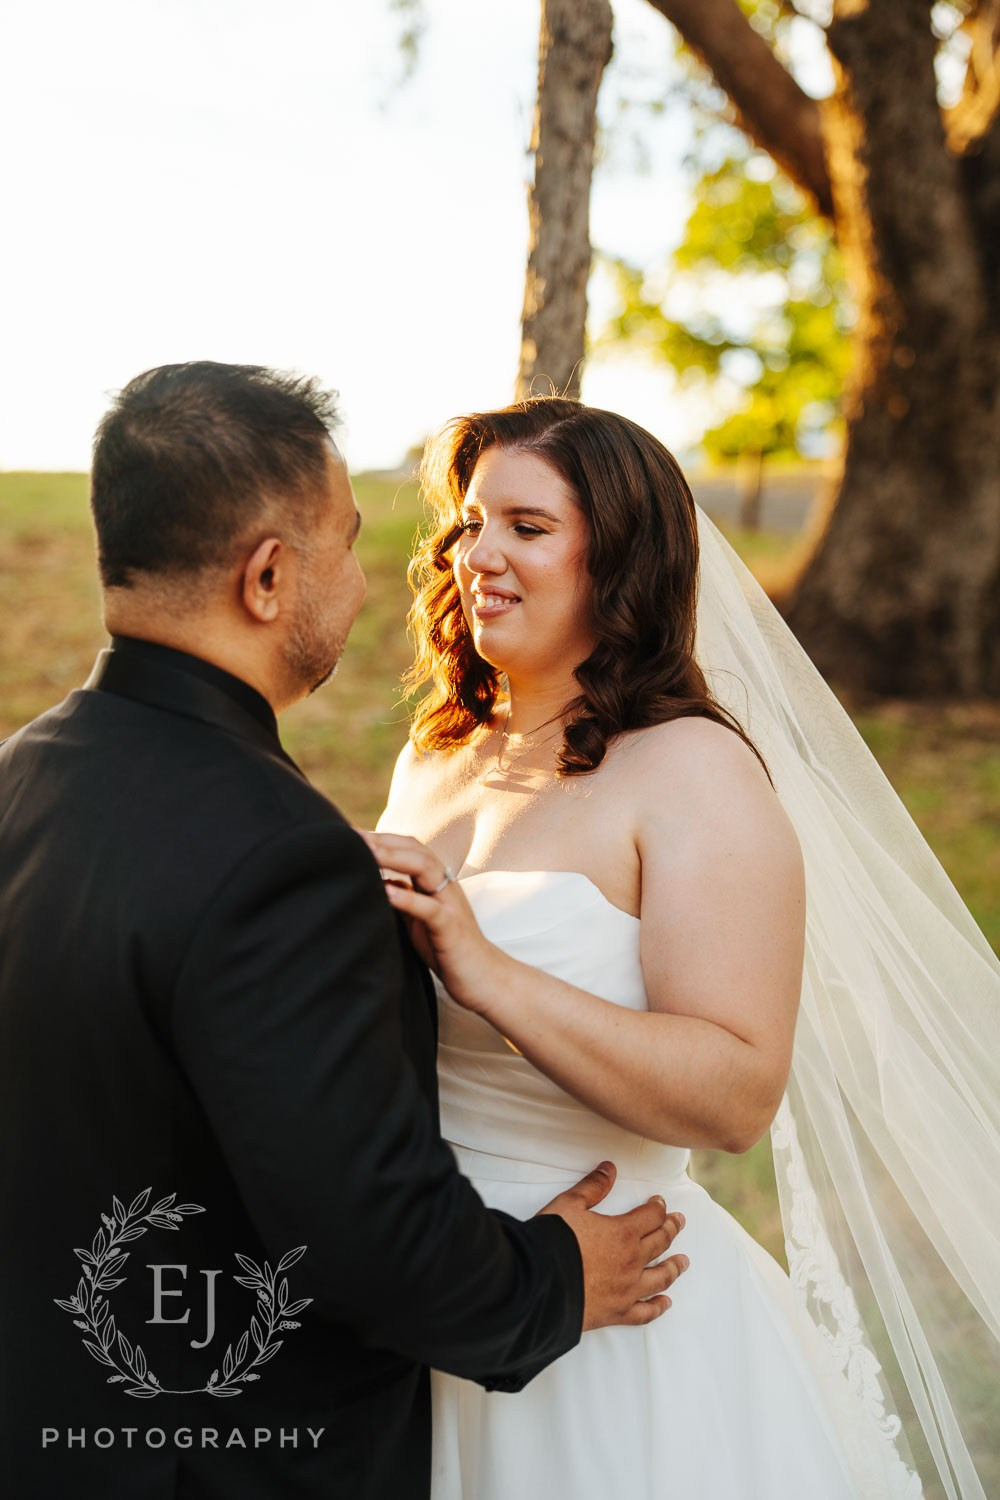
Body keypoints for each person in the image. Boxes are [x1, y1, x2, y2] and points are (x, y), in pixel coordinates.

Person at [0, 366, 689, 1500]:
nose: (378, 584)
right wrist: (557, 1276)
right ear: (269, 576)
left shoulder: (27, 776)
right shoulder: (283, 856)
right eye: (349, 545)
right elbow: (375, 1250)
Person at [370, 396, 1000, 1499]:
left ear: (617, 558)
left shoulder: (693, 772)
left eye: (526, 526)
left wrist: (491, 971)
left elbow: (737, 1092)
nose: (480, 556)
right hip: (438, 1288)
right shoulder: (439, 753)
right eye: (471, 523)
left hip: (612, 1314)